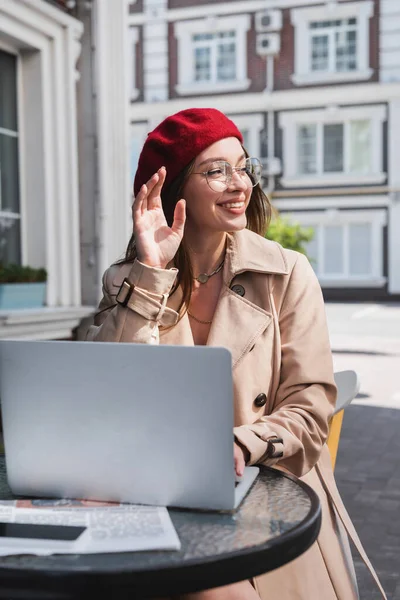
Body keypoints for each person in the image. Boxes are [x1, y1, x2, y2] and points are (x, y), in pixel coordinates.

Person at [86, 108, 386, 600]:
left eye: (243, 166)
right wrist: (150, 274)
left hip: (266, 494)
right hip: (159, 497)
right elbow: (107, 395)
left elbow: (310, 412)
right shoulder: (130, 280)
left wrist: (241, 444)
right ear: (172, 189)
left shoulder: (286, 273)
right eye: (216, 170)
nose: (239, 183)